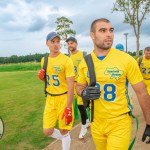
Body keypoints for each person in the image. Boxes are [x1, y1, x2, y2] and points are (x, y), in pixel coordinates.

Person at [76, 18, 150, 150]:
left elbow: (142, 92)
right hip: (96, 121)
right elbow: (79, 86)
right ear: (92, 35)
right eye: (103, 30)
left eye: (111, 30)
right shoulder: (85, 62)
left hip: (119, 121)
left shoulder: (126, 60)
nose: (109, 34)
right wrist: (83, 92)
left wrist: (149, 123)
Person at [38, 32, 75, 150]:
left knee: (64, 130)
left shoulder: (66, 60)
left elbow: (70, 85)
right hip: (50, 99)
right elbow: (47, 82)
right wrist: (42, 78)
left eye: (58, 42)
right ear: (47, 43)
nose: (56, 44)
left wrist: (68, 106)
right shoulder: (44, 60)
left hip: (63, 98)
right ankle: (66, 138)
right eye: (52, 42)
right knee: (47, 131)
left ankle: (66, 139)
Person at [66, 36, 90, 139]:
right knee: (80, 106)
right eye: (68, 43)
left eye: (72, 43)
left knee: (81, 106)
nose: (70, 45)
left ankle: (83, 126)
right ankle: (88, 121)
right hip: (73, 85)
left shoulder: (84, 54)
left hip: (82, 84)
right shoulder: (68, 58)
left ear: (76, 44)